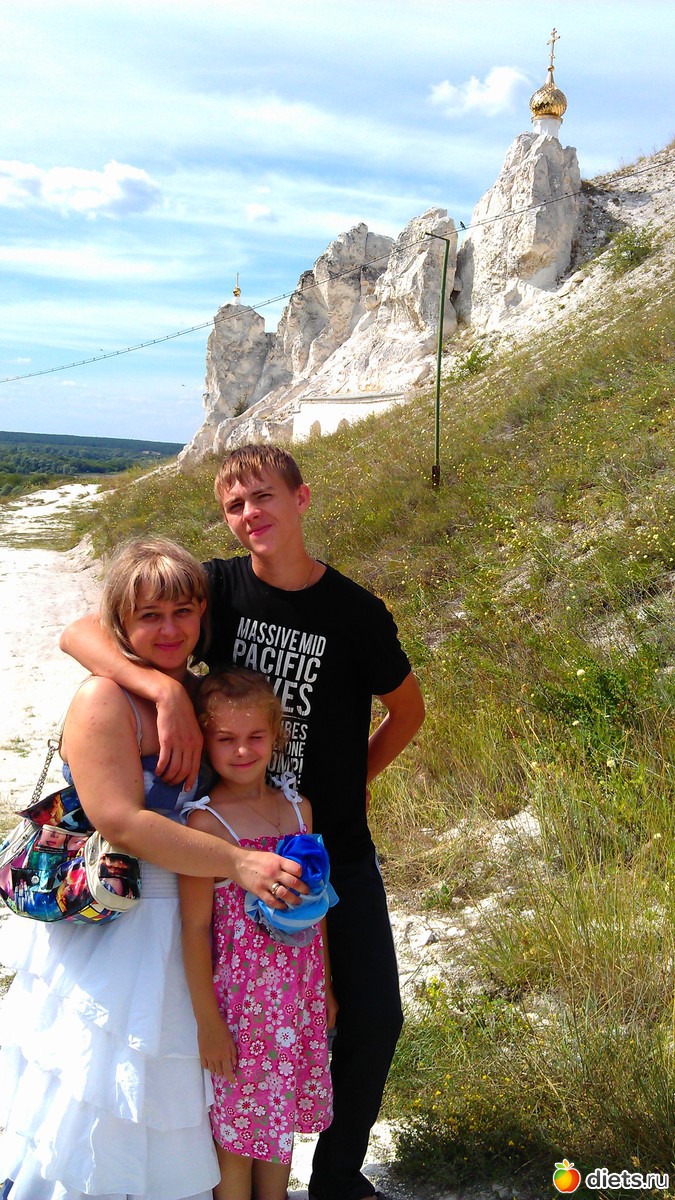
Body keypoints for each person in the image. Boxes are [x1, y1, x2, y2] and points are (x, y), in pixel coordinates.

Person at [61, 445, 426, 1200]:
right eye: (235, 505)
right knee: (227, 1023)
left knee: (373, 1015)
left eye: (264, 497)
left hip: (324, 845)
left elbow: (408, 711)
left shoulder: (356, 613)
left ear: (301, 499)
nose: (251, 514)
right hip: (225, 849)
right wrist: (163, 692)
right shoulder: (218, 588)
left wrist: (346, 787)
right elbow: (84, 632)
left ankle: (336, 1178)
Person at [0, 537, 308, 1200]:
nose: (169, 629)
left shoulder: (200, 693)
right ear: (122, 622)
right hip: (122, 927)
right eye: (149, 616)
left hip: (198, 925)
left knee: (188, 1097)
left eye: (182, 612)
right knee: (112, 1093)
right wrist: (237, 862)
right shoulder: (104, 700)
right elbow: (121, 820)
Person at [179, 666, 337, 1200]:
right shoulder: (205, 826)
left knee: (280, 1119)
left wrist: (325, 987)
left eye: (255, 736)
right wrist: (208, 1023)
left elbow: (315, 910)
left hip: (296, 997)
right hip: (240, 1007)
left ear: (276, 736)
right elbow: (195, 928)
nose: (242, 750)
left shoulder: (298, 810)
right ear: (206, 742)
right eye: (226, 739)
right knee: (238, 1129)